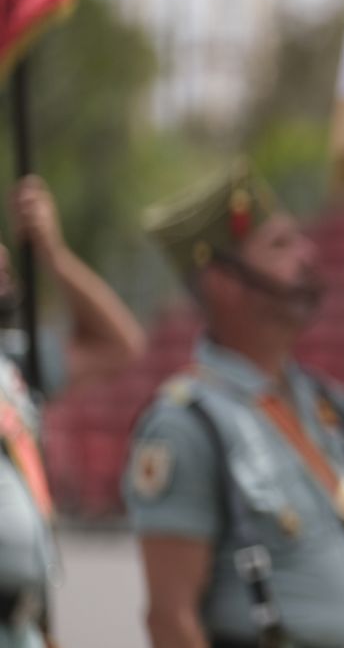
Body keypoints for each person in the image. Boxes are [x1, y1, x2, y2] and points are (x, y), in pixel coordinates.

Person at [125, 162, 344, 648]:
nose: (306, 254)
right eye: (280, 245)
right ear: (224, 282)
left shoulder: (315, 399)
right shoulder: (187, 425)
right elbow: (170, 618)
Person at [0, 175, 146, 648]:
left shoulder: (13, 365)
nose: (3, 256)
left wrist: (53, 253)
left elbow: (120, 344)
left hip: (23, 624)